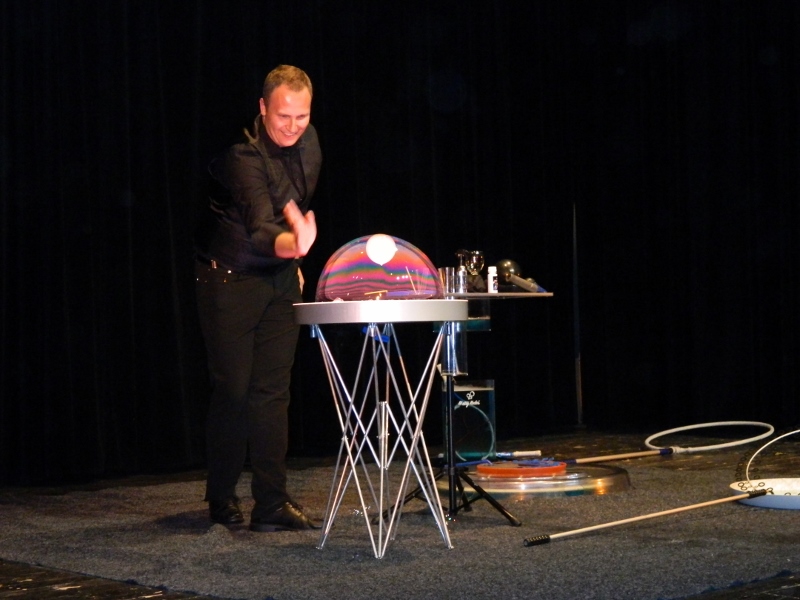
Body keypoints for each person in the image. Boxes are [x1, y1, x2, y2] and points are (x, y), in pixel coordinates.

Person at [194, 64, 322, 532]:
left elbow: (294, 209)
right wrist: (295, 245)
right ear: (263, 107)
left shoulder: (310, 142)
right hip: (230, 278)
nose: (293, 127)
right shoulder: (242, 156)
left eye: (302, 117)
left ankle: (271, 502)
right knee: (233, 390)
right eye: (283, 116)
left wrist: (294, 259)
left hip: (280, 279)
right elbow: (262, 227)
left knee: (273, 392)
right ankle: (221, 496)